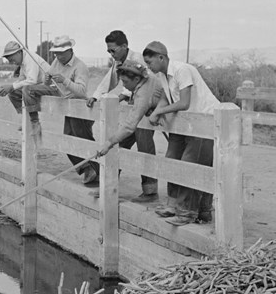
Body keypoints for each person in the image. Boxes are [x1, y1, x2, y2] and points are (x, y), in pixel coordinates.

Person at [2, 35, 101, 185]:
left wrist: (64, 80)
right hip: (66, 104)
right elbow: (49, 81)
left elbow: (81, 91)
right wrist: (48, 79)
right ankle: (88, 169)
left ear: (70, 51)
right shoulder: (56, 61)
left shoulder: (80, 67)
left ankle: (98, 171)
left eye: (61, 53)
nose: (57, 56)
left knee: (82, 139)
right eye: (56, 53)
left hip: (78, 106)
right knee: (68, 141)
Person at [143, 41, 220, 226]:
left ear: (161, 57)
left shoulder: (182, 70)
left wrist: (159, 112)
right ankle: (174, 205)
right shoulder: (162, 76)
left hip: (203, 121)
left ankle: (187, 212)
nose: (149, 67)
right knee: (171, 160)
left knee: (190, 165)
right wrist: (155, 112)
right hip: (184, 123)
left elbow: (184, 102)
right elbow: (164, 97)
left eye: (150, 62)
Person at [87, 30, 161, 202]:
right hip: (134, 107)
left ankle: (150, 191)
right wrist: (96, 96)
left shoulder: (139, 60)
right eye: (108, 51)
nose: (111, 54)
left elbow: (144, 83)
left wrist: (123, 95)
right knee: (120, 145)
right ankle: (108, 184)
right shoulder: (118, 62)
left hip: (145, 107)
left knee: (145, 146)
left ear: (124, 47)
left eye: (113, 50)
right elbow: (110, 80)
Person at [97, 60, 165, 195]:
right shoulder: (142, 83)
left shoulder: (144, 92)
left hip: (149, 121)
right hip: (142, 118)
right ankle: (107, 187)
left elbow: (129, 125)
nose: (124, 85)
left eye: (126, 82)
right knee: (120, 145)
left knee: (145, 149)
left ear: (137, 79)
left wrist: (109, 142)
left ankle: (150, 191)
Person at [0, 40, 50, 134]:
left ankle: (35, 123)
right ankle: (26, 119)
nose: (12, 62)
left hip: (49, 86)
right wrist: (10, 88)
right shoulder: (22, 62)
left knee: (27, 89)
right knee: (13, 93)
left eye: (12, 59)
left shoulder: (30, 58)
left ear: (18, 53)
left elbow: (31, 80)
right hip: (39, 86)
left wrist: (12, 86)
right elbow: (22, 78)